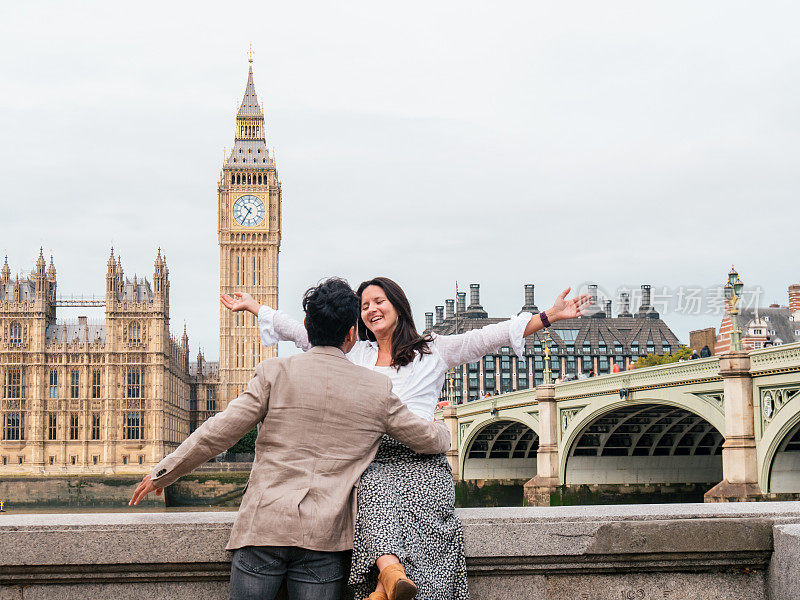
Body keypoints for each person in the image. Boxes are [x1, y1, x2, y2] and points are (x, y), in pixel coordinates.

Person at [222, 279, 589, 600]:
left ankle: (388, 581)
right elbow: (307, 334)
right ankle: (389, 576)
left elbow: (485, 338)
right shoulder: (355, 353)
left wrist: (550, 316)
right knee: (367, 486)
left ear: (398, 305)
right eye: (364, 306)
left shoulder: (434, 349)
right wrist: (257, 307)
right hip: (370, 458)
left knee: (396, 508)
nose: (371, 309)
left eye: (378, 301)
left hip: (422, 455)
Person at [130, 278, 451, 600]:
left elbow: (219, 431)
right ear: (352, 333)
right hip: (325, 536)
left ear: (308, 328)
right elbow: (427, 440)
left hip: (264, 526)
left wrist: (165, 472)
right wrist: (444, 426)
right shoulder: (375, 388)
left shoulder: (274, 372)